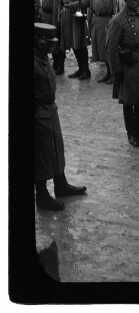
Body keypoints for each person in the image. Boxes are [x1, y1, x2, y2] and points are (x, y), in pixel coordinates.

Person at [34, 23, 87, 211]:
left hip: (50, 109)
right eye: (49, 43)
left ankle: (61, 184)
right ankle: (41, 195)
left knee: (56, 147)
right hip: (37, 112)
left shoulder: (42, 57)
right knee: (41, 154)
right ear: (39, 42)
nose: (53, 46)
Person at [106, 0, 139, 147]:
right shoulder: (118, 20)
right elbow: (111, 49)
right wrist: (116, 71)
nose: (137, 2)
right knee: (128, 102)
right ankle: (131, 133)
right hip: (127, 65)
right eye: (133, 0)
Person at [58, 0, 92, 80]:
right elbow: (61, 2)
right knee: (73, 44)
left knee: (80, 44)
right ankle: (80, 68)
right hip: (67, 19)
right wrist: (62, 12)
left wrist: (74, 4)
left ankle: (86, 70)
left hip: (78, 18)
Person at [87, 0, 119, 84]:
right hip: (97, 23)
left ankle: (114, 74)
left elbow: (117, 13)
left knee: (110, 49)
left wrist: (114, 28)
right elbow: (91, 10)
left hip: (108, 23)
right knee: (101, 50)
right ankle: (108, 73)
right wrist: (90, 23)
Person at [38, 0, 65, 75]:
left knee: (57, 44)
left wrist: (55, 25)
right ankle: (55, 64)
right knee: (50, 43)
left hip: (53, 20)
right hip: (46, 18)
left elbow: (56, 8)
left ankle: (60, 66)